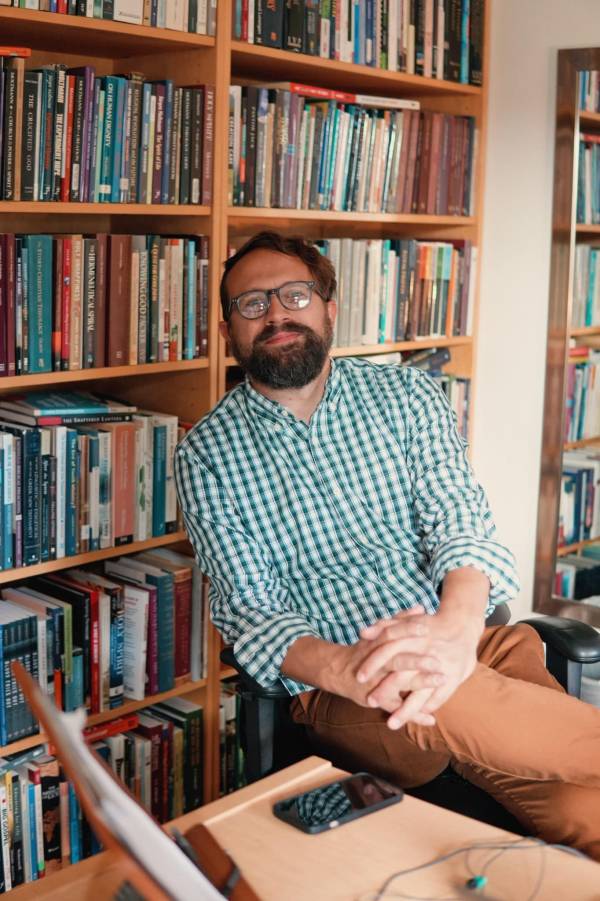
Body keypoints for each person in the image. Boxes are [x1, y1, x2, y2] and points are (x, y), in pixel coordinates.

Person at [174, 231, 600, 860]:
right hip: (346, 690)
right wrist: (354, 669)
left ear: (329, 308)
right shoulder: (207, 455)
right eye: (252, 304)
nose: (276, 314)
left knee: (582, 810)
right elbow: (249, 610)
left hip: (477, 648)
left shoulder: (407, 397)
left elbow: (461, 522)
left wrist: (454, 635)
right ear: (227, 328)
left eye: (294, 295)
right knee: (432, 684)